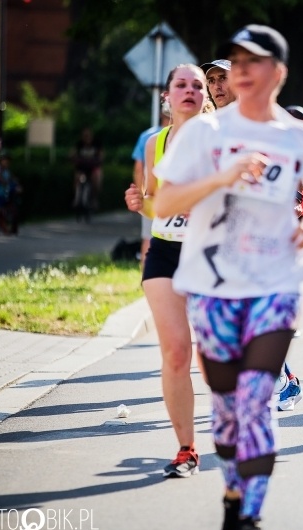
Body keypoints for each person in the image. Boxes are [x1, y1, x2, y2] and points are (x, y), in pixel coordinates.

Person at [152, 25, 303, 530]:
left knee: (256, 399)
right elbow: (164, 201)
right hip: (213, 287)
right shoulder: (205, 133)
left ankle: (249, 515)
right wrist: (221, 177)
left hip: (276, 283)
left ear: (276, 72)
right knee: (227, 407)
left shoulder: (297, 135)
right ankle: (233, 489)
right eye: (234, 59)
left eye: (252, 60)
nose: (239, 68)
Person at [124, 64, 210, 479]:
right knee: (176, 350)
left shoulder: (220, 139)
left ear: (206, 96)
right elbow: (157, 201)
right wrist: (144, 203)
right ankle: (186, 449)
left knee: (213, 358)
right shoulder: (154, 143)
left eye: (198, 85)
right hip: (165, 251)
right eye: (182, 85)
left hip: (210, 255)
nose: (190, 91)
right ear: (168, 96)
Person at [132, 108, 171, 270]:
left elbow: (138, 168)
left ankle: (145, 278)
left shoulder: (147, 136)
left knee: (148, 238)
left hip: (152, 194)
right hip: (162, 196)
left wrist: (140, 194)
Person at [72, 127, 104, 211]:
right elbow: (73, 153)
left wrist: (100, 159)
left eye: (88, 135)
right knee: (77, 178)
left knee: (96, 178)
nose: (86, 137)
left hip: (93, 168)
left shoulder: (96, 144)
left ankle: (94, 198)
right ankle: (77, 198)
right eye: (84, 135)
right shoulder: (79, 144)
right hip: (82, 168)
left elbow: (101, 155)